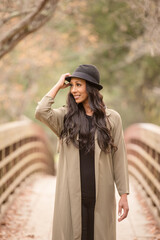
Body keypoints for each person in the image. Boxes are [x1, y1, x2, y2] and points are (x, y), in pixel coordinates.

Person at [35, 64, 129, 240]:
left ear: (91, 88)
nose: (74, 90)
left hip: (101, 194)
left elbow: (119, 158)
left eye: (79, 85)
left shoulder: (112, 119)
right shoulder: (65, 118)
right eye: (72, 86)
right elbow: (41, 112)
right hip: (72, 194)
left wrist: (123, 194)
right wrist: (58, 85)